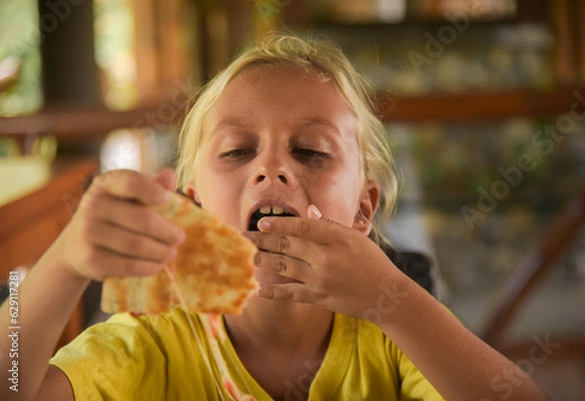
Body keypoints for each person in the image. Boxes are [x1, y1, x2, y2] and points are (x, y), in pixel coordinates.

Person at [0, 34, 550, 401]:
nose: (271, 168)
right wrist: (64, 263)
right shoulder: (153, 340)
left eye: (310, 151)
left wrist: (397, 296)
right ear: (192, 207)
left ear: (363, 210)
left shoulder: (394, 335)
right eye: (238, 151)